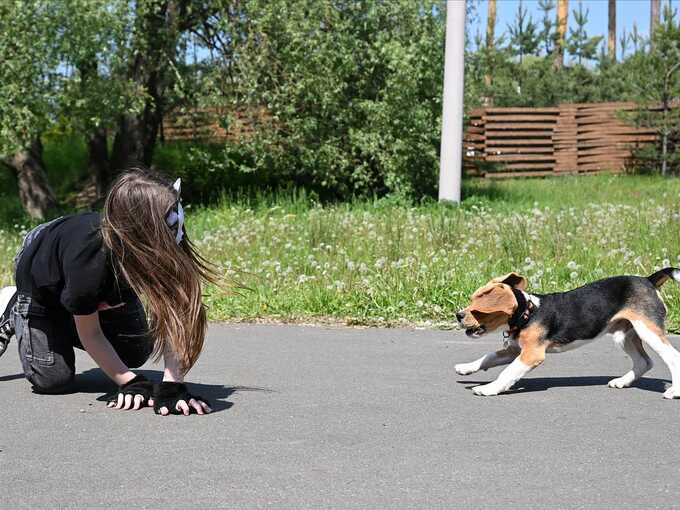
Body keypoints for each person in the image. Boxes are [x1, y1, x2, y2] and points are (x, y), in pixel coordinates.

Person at [0, 168, 218, 416]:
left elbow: (177, 315)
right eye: (169, 221)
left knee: (135, 352)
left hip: (98, 283)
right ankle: (12, 303)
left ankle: (75, 309)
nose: (178, 227)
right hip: (42, 278)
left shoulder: (165, 241)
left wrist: (173, 386)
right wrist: (130, 382)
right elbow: (90, 333)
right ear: (142, 227)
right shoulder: (89, 265)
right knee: (52, 379)